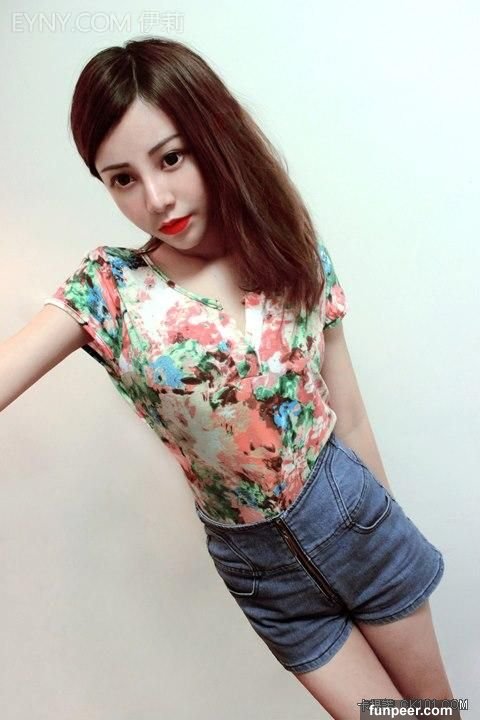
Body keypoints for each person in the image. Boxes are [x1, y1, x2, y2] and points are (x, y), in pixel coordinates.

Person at [1, 36, 458, 719]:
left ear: (213, 135)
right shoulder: (111, 290)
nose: (157, 198)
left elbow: (352, 415)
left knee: (432, 710)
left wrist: (381, 530)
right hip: (262, 573)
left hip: (356, 520)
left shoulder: (290, 250)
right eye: (122, 178)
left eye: (171, 158)